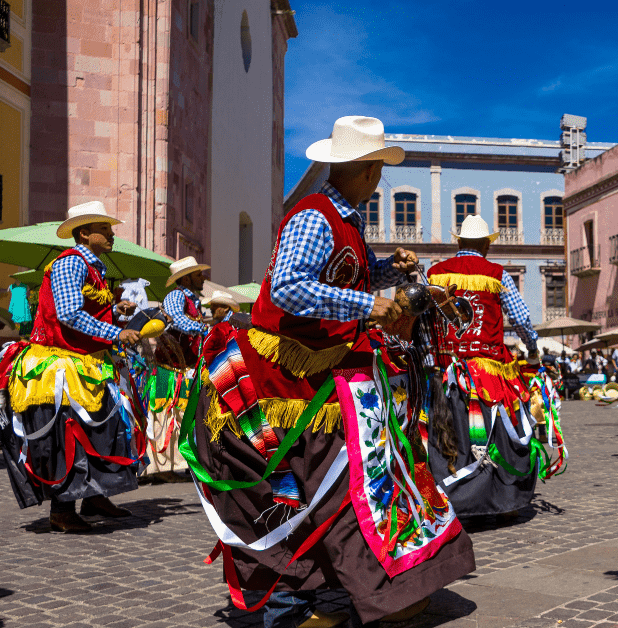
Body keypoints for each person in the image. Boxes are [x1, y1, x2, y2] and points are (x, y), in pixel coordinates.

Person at [183, 116, 474, 628]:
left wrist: (388, 270)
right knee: (302, 486)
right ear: (362, 170)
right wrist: (369, 304)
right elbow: (289, 289)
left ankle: (353, 590)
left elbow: (338, 276)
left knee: (335, 481)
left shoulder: (347, 221)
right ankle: (295, 603)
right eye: (377, 170)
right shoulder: (314, 216)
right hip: (277, 382)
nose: (379, 180)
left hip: (316, 375)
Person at [0, 201, 142, 532]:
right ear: (83, 233)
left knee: (105, 431)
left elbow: (86, 310)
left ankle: (95, 497)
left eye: (110, 229)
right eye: (104, 229)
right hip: (60, 364)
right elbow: (69, 315)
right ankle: (62, 510)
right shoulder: (70, 264)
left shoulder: (96, 269)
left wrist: (116, 309)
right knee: (71, 433)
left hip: (87, 362)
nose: (112, 235)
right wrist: (117, 331)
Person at [425, 214, 562, 518]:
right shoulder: (497, 274)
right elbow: (522, 318)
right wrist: (532, 347)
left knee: (446, 433)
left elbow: (425, 320)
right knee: (496, 433)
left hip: (444, 371)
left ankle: (446, 497)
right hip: (486, 374)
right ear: (486, 245)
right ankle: (497, 500)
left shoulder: (434, 274)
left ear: (458, 241)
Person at [145, 256, 211, 481]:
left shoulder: (194, 301)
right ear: (186, 278)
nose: (202, 278)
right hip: (168, 370)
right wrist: (204, 328)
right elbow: (176, 319)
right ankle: (162, 468)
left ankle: (177, 464)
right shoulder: (176, 296)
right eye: (198, 274)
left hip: (184, 370)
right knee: (164, 414)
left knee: (183, 415)